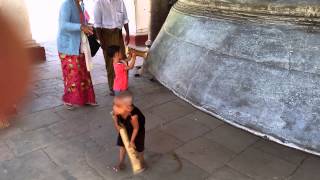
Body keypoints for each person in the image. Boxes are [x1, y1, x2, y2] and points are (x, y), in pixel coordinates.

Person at [57, 0, 97, 110]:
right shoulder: (67, 4)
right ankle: (69, 99)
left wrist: (87, 26)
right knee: (72, 74)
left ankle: (87, 98)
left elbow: (81, 22)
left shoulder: (80, 5)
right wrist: (81, 27)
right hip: (68, 46)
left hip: (79, 44)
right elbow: (63, 25)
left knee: (83, 72)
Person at [94, 0, 130, 96]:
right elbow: (97, 25)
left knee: (122, 58)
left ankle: (123, 84)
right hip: (106, 35)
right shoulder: (99, 3)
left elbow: (125, 19)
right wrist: (101, 41)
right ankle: (112, 87)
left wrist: (128, 33)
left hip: (118, 33)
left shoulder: (120, 2)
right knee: (110, 62)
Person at [111, 92, 145, 171]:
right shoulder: (118, 111)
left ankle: (142, 162)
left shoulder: (134, 116)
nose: (114, 107)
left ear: (128, 108)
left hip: (137, 131)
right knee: (122, 145)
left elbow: (136, 128)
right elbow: (117, 124)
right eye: (114, 104)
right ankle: (121, 163)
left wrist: (132, 141)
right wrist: (116, 122)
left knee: (138, 148)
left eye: (117, 106)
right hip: (125, 127)